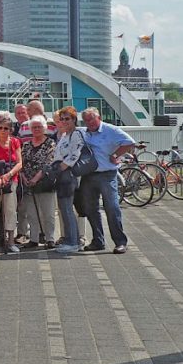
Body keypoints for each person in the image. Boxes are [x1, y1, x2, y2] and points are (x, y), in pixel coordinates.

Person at [79, 107, 134, 254]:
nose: (89, 122)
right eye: (86, 120)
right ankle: (98, 241)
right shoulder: (84, 133)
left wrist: (116, 154)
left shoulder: (111, 130)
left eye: (91, 119)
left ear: (99, 117)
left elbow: (129, 142)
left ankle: (120, 242)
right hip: (88, 175)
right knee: (91, 209)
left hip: (107, 174)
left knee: (112, 207)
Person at [20, 117, 57, 249]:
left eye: (39, 127)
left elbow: (49, 163)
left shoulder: (50, 144)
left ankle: (50, 238)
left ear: (44, 128)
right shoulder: (26, 145)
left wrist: (36, 178)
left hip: (45, 183)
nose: (36, 129)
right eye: (34, 127)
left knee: (48, 212)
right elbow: (21, 163)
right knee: (31, 213)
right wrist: (24, 178)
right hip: (28, 184)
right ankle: (34, 239)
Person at [52, 107, 85, 254]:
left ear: (74, 120)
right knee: (63, 209)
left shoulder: (76, 134)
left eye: (67, 119)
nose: (64, 121)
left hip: (68, 174)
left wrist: (62, 167)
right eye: (62, 119)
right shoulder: (65, 135)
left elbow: (75, 154)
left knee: (67, 208)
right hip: (61, 174)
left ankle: (73, 242)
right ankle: (70, 239)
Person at [0, 112, 22, 254]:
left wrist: (8, 175)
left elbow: (20, 163)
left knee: (10, 211)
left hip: (11, 180)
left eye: (6, 128)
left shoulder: (15, 142)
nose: (3, 131)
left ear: (11, 130)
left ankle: (10, 241)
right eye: (0, 128)